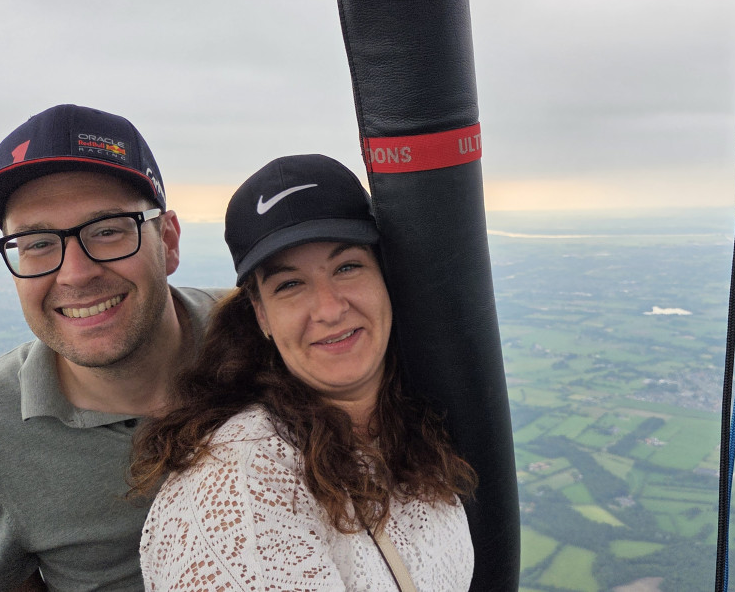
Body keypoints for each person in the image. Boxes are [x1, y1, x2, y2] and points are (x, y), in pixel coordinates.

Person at [130, 154, 477, 590]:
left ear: (385, 276)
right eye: (290, 284)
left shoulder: (408, 424)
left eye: (347, 267)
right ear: (261, 314)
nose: (329, 309)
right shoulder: (241, 490)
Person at [0, 104, 223, 592]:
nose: (75, 273)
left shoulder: (267, 338)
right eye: (37, 242)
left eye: (107, 231)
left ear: (168, 241)